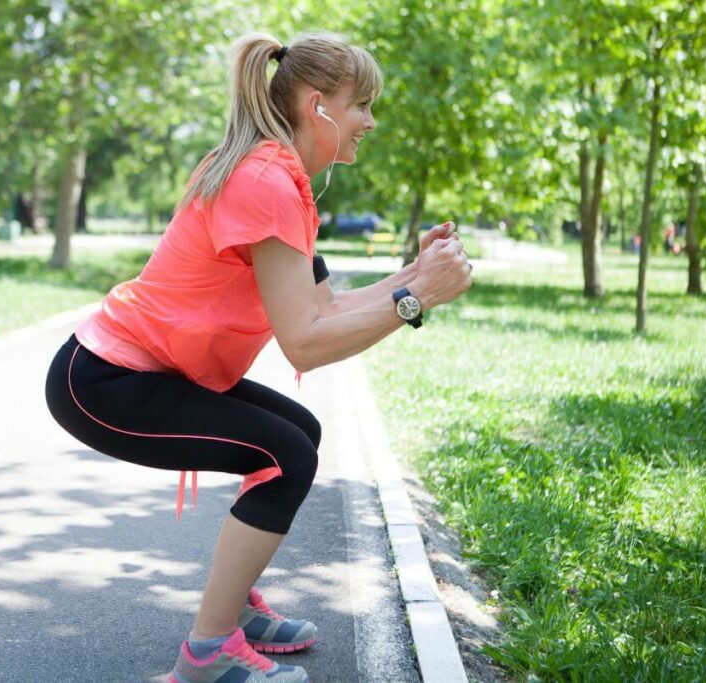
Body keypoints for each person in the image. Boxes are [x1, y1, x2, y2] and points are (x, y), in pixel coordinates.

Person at [44, 30, 473, 683]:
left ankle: (231, 610)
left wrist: (414, 276)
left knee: (297, 432)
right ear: (316, 103)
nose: (370, 120)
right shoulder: (266, 182)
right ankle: (208, 653)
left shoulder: (279, 178)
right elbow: (305, 340)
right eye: (362, 103)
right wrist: (417, 299)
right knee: (285, 455)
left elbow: (323, 308)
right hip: (104, 380)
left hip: (133, 371)